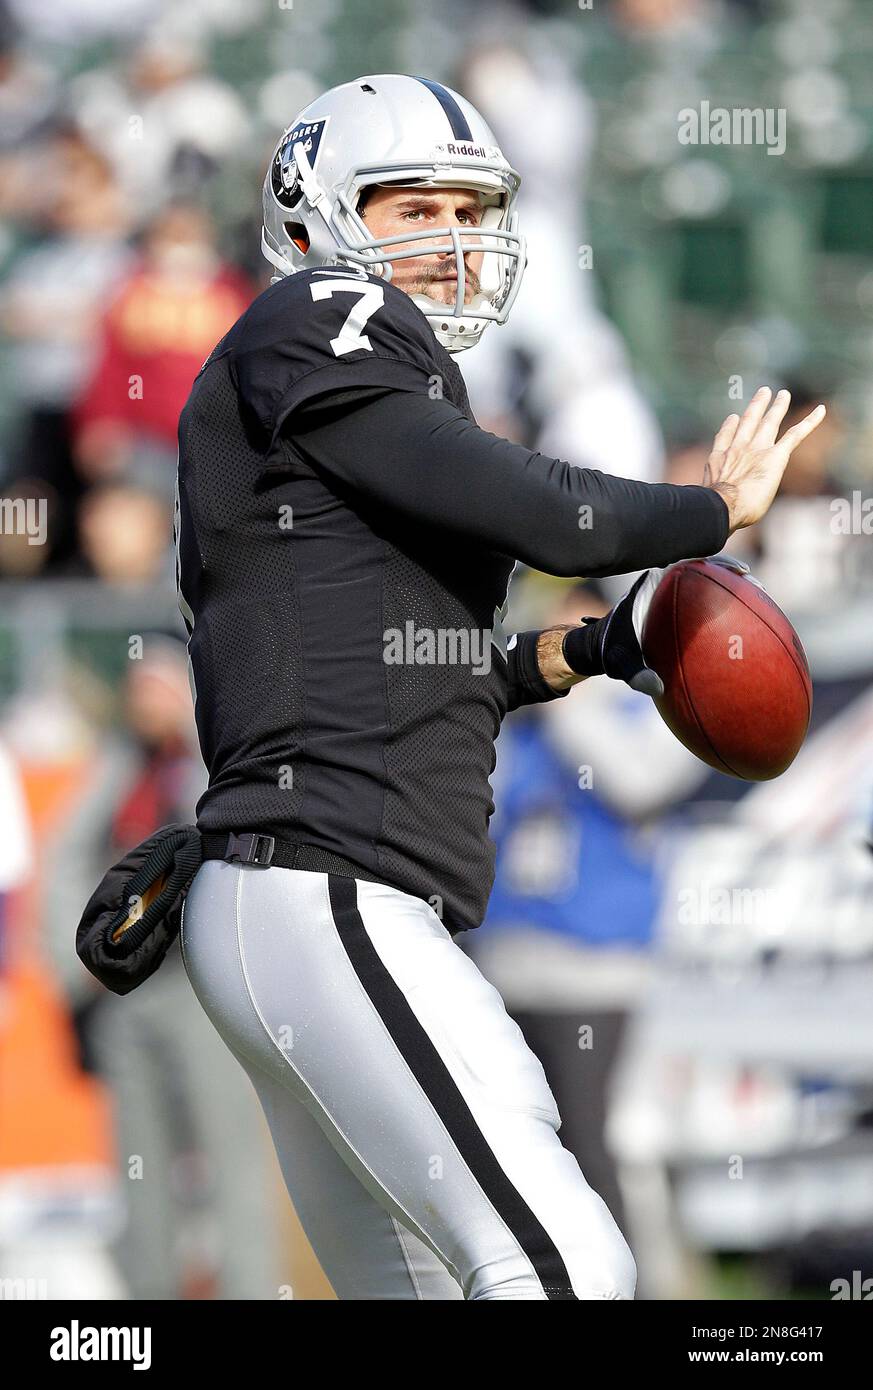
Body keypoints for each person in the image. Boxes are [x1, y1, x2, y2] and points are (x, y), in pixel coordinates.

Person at [175, 73, 825, 1301]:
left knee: (432, 1288)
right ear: (312, 216)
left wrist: (588, 650)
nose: (454, 237)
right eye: (414, 206)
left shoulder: (356, 393)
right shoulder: (318, 316)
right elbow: (547, 514)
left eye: (471, 210)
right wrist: (709, 510)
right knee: (566, 1264)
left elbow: (394, 669)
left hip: (298, 892)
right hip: (329, 892)